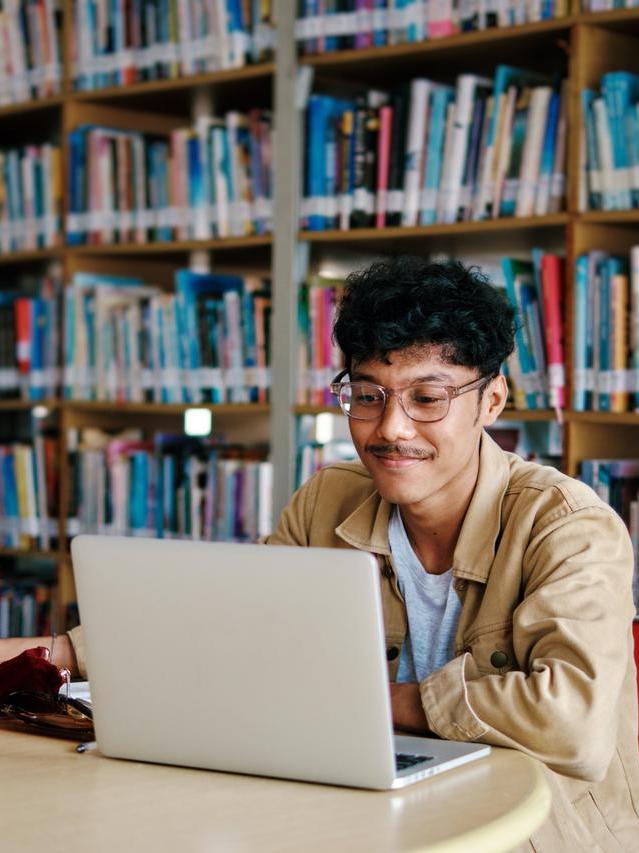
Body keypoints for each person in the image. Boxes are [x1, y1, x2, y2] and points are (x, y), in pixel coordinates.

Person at [1, 256, 638, 850]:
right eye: (368, 395)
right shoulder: (329, 498)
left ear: (490, 401)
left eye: (427, 397)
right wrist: (57, 654)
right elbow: (227, 623)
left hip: (533, 830)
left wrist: (375, 706)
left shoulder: (568, 526)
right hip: (367, 806)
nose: (391, 429)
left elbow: (571, 723)